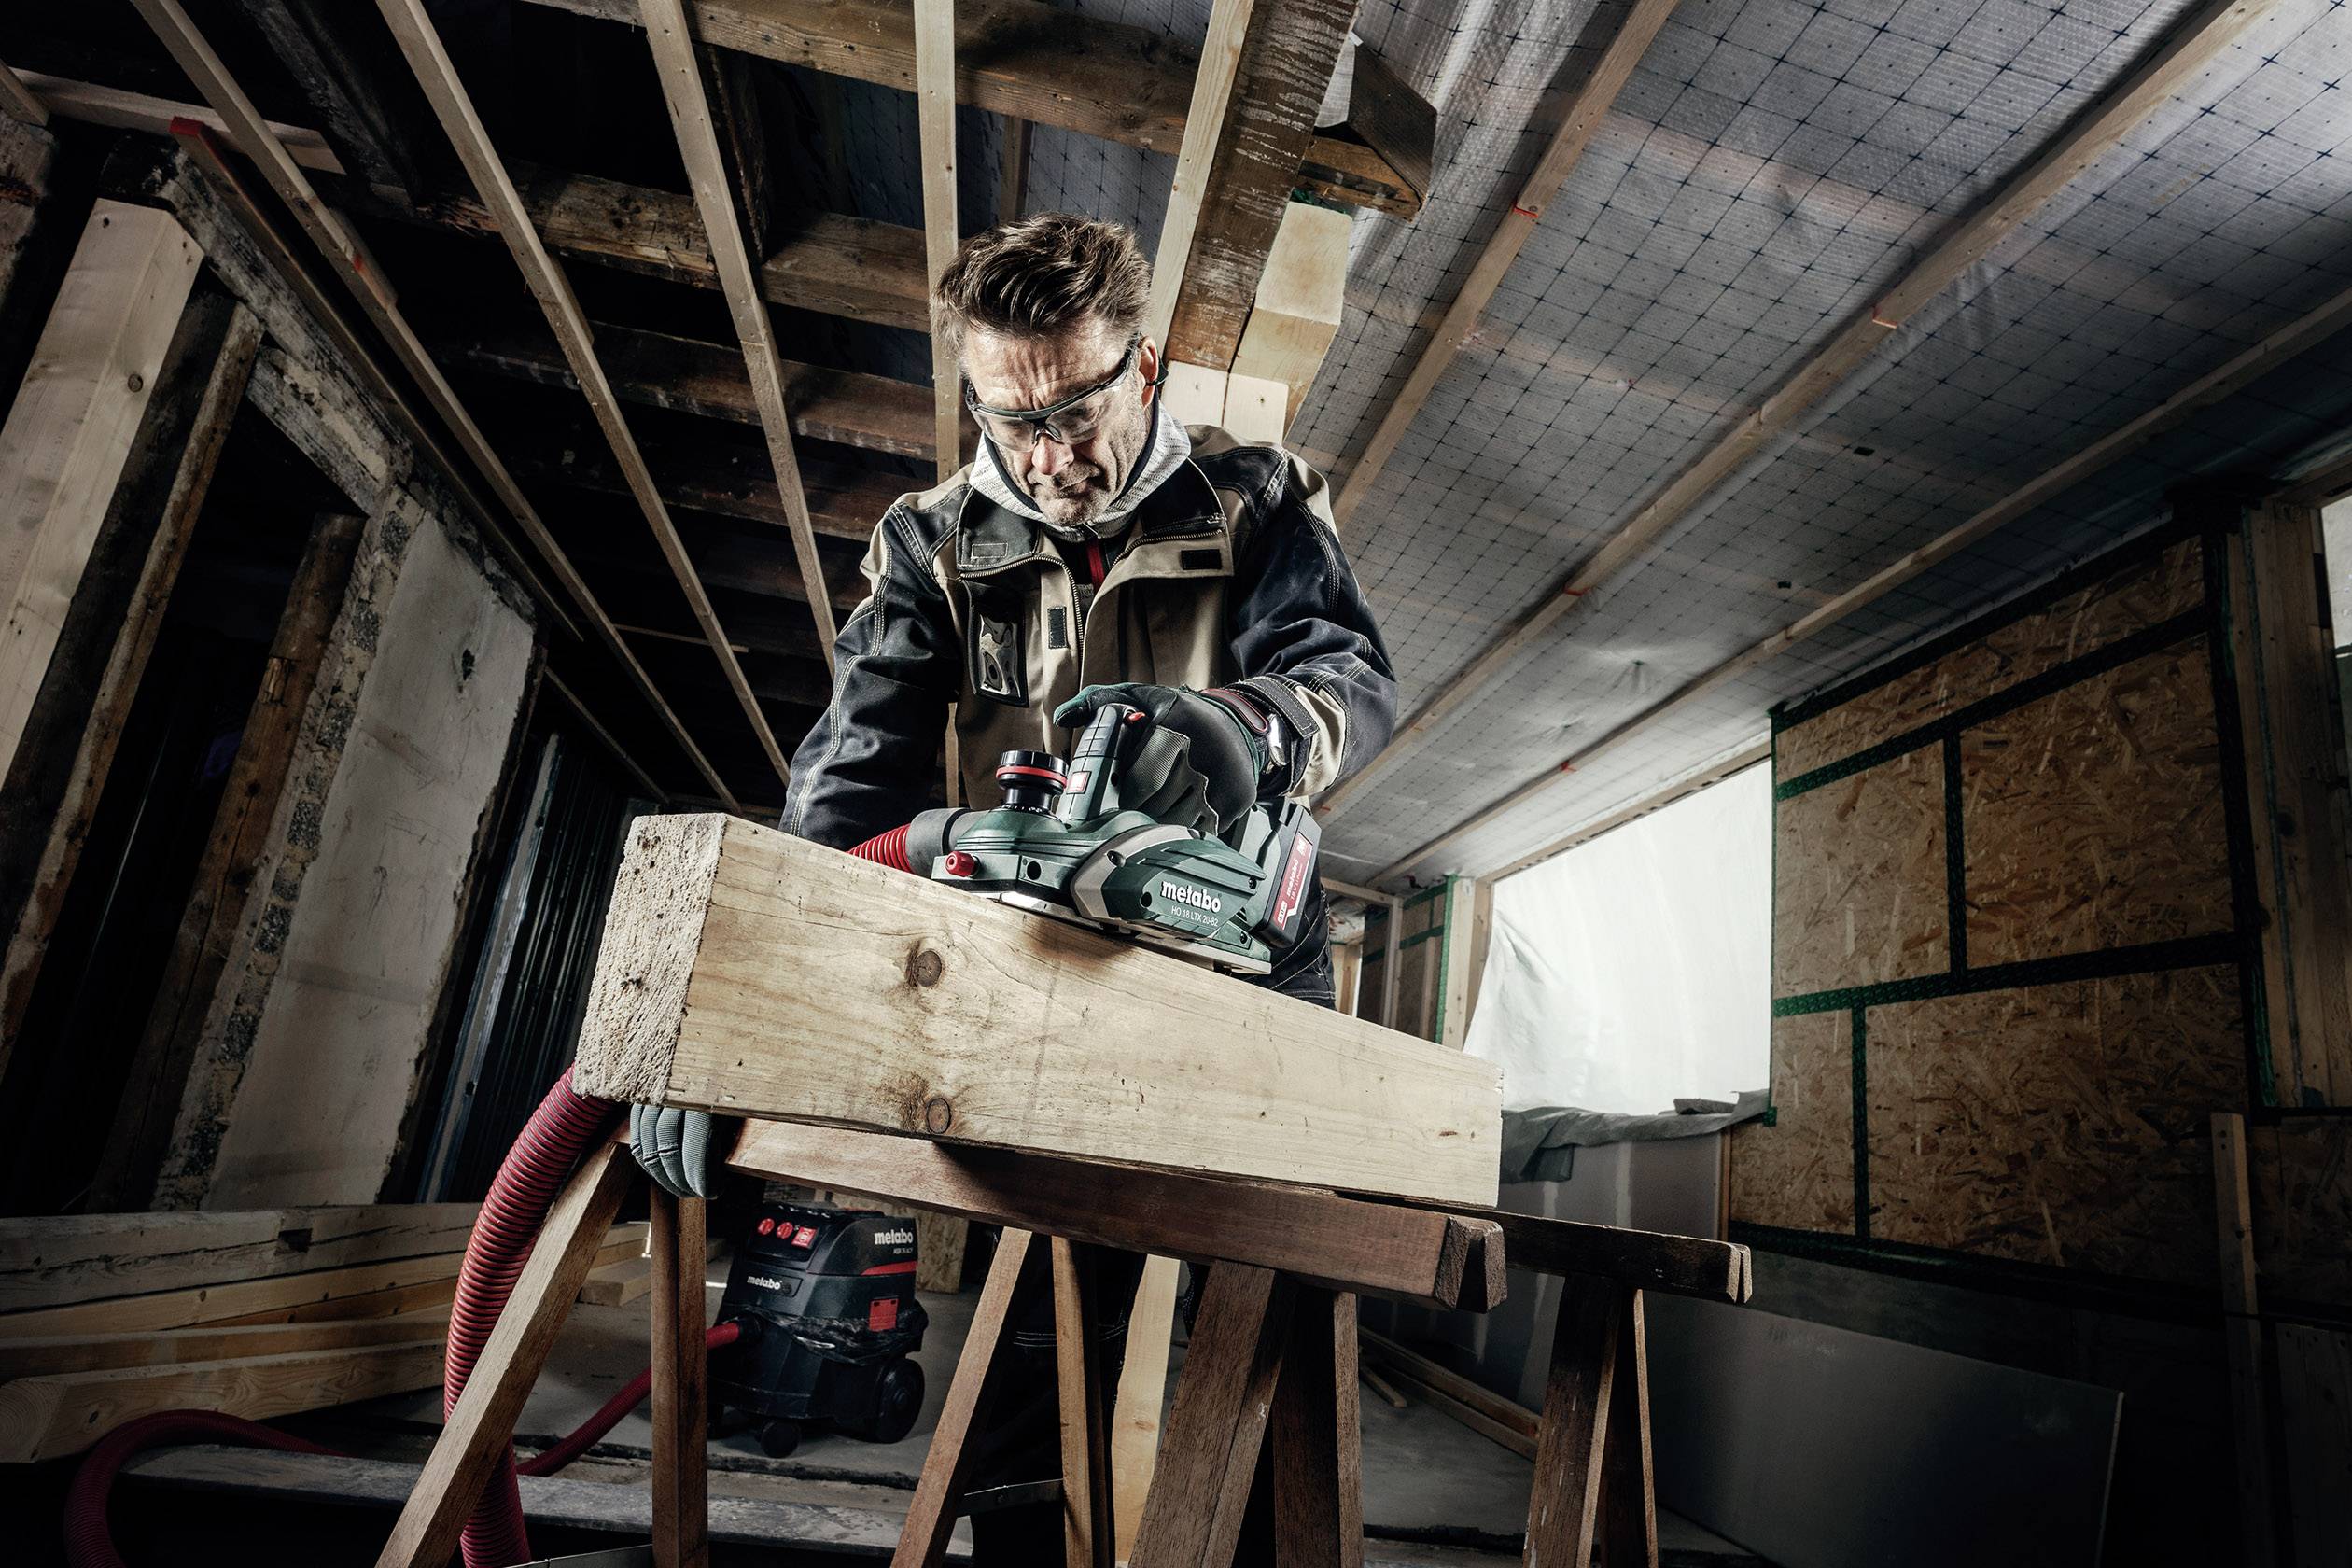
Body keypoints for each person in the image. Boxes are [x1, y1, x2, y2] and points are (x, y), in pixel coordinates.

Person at [630, 212, 1396, 1558]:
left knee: (1264, 1329)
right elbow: (844, 797)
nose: (1049, 454)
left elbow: (1348, 676)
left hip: (1244, 970)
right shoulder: (933, 542)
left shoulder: (1260, 498)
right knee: (1028, 1350)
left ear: (1141, 368)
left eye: (1078, 407)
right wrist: (728, 1025)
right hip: (1041, 982)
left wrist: (1253, 727)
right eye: (1010, 417)